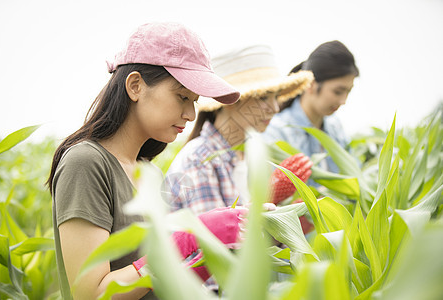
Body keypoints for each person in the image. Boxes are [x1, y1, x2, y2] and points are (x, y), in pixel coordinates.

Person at [47, 22, 247, 300]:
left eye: (195, 101)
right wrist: (191, 239)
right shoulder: (86, 162)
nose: (190, 114)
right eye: (181, 97)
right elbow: (91, 294)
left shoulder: (147, 172)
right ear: (135, 86)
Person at [165, 44, 314, 215]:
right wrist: (268, 198)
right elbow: (215, 238)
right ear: (229, 100)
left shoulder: (251, 156)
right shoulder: (200, 159)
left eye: (277, 97)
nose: (275, 108)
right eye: (264, 97)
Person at [263, 40, 359, 186]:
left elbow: (354, 178)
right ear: (311, 84)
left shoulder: (335, 128)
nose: (343, 100)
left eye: (348, 92)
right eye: (338, 92)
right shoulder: (277, 133)